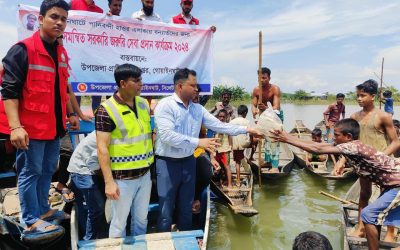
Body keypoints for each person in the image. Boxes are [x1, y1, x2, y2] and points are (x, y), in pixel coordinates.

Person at [0, 0, 78, 234]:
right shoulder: (22, 50)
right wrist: (15, 127)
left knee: (47, 171)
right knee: (29, 173)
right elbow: (9, 91)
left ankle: (43, 209)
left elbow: (62, 86)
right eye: (54, 17)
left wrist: (72, 113)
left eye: (64, 18)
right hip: (30, 129)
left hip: (53, 127)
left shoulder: (61, 52)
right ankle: (30, 219)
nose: (60, 22)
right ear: (41, 19)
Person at [154, 68, 262, 232]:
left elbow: (220, 126)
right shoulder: (165, 105)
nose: (197, 89)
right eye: (193, 85)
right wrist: (199, 142)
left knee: (186, 206)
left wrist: (247, 130)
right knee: (165, 208)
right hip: (168, 164)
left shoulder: (198, 109)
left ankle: (186, 237)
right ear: (180, 86)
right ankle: (162, 240)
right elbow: (168, 136)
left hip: (188, 161)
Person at [271, 118, 400, 250]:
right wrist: (286, 137)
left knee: (369, 215)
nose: (333, 137)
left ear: (348, 137)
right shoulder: (355, 153)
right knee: (372, 216)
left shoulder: (353, 146)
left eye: (337, 135)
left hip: (397, 184)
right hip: (391, 185)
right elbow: (366, 192)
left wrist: (287, 139)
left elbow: (317, 148)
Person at [96, 63, 153, 237]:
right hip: (122, 179)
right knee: (119, 222)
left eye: (141, 79)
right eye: (136, 80)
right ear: (122, 83)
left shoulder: (143, 104)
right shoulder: (106, 110)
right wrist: (109, 182)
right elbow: (102, 148)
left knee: (142, 219)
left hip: (145, 175)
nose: (140, 84)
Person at [347, 79, 399, 241]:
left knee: (386, 197)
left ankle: (391, 232)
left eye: (363, 95)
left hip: (382, 164)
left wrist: (381, 157)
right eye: (358, 96)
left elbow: (396, 141)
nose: (359, 99)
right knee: (364, 194)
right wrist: (344, 161)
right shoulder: (354, 116)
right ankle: (361, 227)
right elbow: (351, 141)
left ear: (373, 96)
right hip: (364, 163)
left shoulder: (383, 116)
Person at [67, 131, 108, 240]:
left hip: (92, 168)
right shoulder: (106, 134)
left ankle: (103, 236)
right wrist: (109, 179)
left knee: (98, 207)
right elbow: (93, 164)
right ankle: (89, 241)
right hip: (82, 170)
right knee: (97, 208)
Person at [70, 0, 103, 113]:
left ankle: (96, 116)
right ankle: (75, 116)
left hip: (93, 54)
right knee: (77, 86)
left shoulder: (100, 11)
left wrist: (109, 19)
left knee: (96, 88)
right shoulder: (73, 3)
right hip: (76, 53)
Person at [229, 105, 251, 186]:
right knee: (238, 162)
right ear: (245, 113)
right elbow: (250, 133)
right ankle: (238, 180)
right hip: (243, 143)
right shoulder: (247, 121)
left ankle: (246, 167)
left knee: (238, 159)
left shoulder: (232, 122)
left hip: (235, 144)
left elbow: (229, 134)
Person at [214, 109, 233, 188]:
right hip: (217, 150)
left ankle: (230, 184)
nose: (221, 118)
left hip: (225, 150)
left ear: (226, 118)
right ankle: (219, 182)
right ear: (218, 117)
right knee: (218, 167)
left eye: (223, 117)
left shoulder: (227, 126)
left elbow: (230, 137)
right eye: (220, 116)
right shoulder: (215, 126)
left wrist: (231, 146)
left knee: (227, 167)